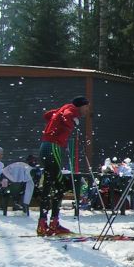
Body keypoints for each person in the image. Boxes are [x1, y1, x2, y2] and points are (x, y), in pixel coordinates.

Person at [37, 96, 91, 236]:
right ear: (80, 106)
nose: (87, 110)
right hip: (53, 147)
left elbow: (47, 115)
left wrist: (59, 122)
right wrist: (71, 122)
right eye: (86, 107)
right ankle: (54, 224)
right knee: (60, 186)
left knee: (49, 185)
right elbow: (66, 116)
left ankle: (43, 223)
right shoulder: (72, 110)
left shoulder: (63, 108)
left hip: (44, 146)